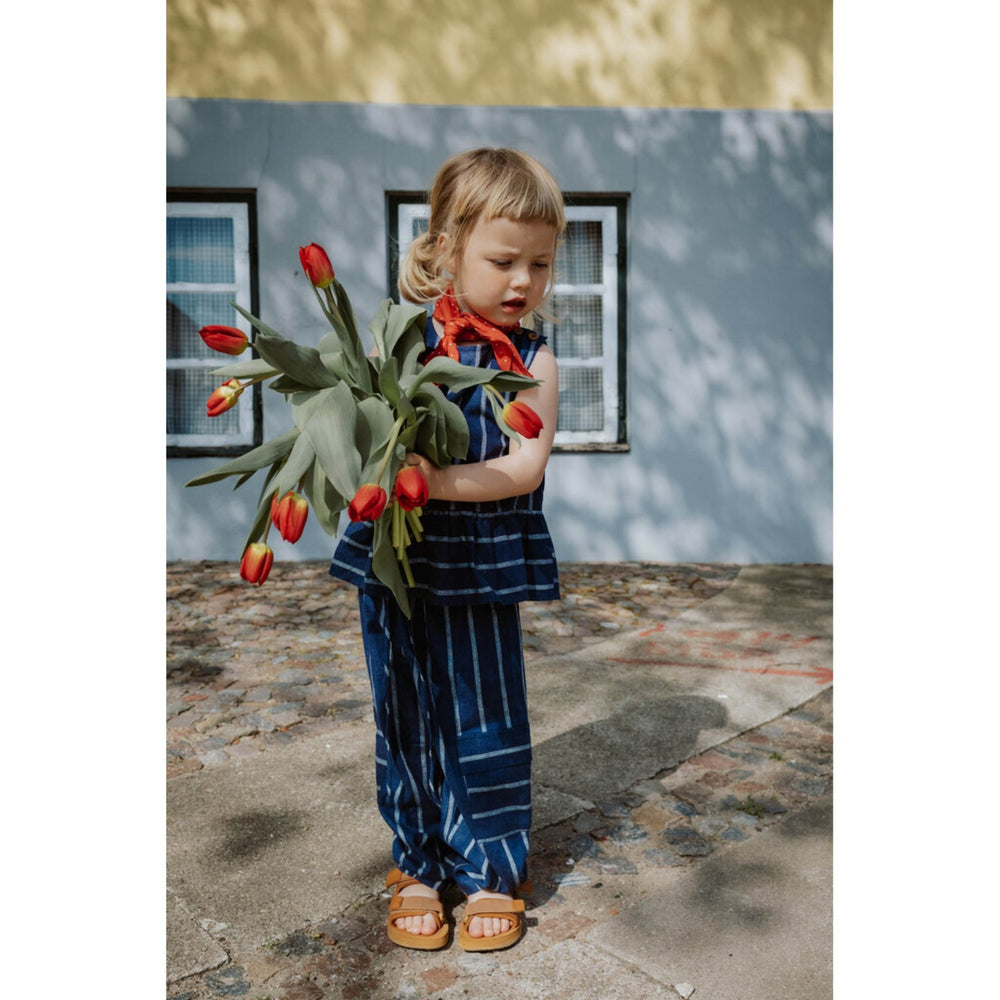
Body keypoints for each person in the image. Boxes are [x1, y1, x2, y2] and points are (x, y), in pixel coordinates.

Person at [329, 147, 564, 951]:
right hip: (397, 556)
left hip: (482, 556)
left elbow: (524, 466)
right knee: (404, 707)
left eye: (540, 264)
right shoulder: (399, 343)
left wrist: (432, 480)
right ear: (445, 248)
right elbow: (362, 431)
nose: (523, 281)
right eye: (503, 261)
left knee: (483, 710)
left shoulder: (532, 360)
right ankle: (419, 865)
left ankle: (492, 867)